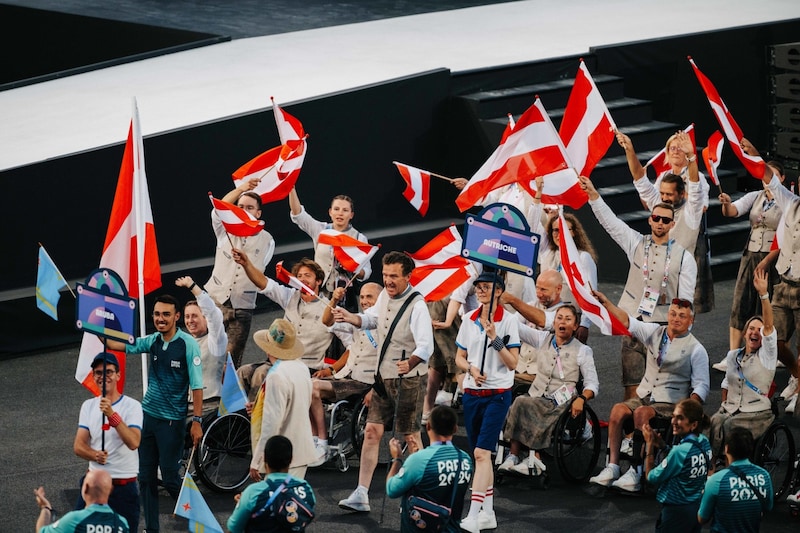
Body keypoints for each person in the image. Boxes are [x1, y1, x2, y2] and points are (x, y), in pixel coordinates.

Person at [581, 175, 697, 401]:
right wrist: (593, 195)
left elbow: (686, 302)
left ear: (672, 224)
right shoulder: (635, 242)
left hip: (663, 330)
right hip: (632, 324)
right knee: (632, 389)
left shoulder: (685, 258)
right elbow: (610, 222)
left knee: (659, 391)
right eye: (657, 218)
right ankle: (629, 435)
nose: (661, 223)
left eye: (666, 220)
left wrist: (681, 335)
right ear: (650, 220)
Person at [334, 251, 434, 513]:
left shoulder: (418, 306)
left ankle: (420, 496)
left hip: (409, 381)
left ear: (408, 277)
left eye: (394, 276)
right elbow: (372, 320)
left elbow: (426, 346)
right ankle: (361, 493)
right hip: (383, 379)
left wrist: (410, 362)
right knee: (371, 432)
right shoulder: (383, 298)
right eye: (385, 275)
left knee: (411, 438)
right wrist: (351, 317)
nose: (388, 281)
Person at [589, 292, 709, 492]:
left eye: (681, 316)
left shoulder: (696, 349)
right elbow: (629, 322)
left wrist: (689, 408)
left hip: (670, 401)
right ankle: (613, 466)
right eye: (673, 314)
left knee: (641, 413)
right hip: (646, 394)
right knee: (618, 410)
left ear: (691, 320)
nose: (676, 319)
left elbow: (702, 385)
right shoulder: (655, 332)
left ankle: (636, 471)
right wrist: (607, 303)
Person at [105, 294, 203, 533]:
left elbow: (197, 386)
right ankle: (152, 529)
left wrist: (197, 421)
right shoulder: (153, 341)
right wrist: (99, 328)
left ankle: (200, 518)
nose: (161, 319)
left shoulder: (188, 344)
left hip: (172, 423)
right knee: (146, 478)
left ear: (176, 317)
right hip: (147, 418)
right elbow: (121, 345)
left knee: (170, 477)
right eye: (157, 314)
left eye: (166, 314)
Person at [617, 130, 713, 314]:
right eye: (672, 148)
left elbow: (696, 192)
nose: (664, 197)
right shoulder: (662, 189)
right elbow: (641, 181)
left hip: (681, 263)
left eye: (669, 194)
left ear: (682, 193)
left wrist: (692, 156)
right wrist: (629, 150)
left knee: (678, 316)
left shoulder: (691, 204)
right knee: (647, 314)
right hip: (656, 267)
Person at [498, 304, 599, 477]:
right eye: (559, 318)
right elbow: (517, 326)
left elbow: (593, 384)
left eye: (568, 319)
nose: (563, 322)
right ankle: (513, 455)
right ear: (554, 322)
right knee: (520, 402)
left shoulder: (582, 350)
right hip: (537, 393)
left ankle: (535, 456)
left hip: (562, 399)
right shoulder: (542, 338)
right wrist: (498, 306)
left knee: (531, 405)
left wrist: (582, 398)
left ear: (575, 326)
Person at [231, 252, 352, 396]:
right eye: (299, 276)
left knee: (262, 373)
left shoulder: (330, 310)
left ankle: (257, 416)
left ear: (318, 281)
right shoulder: (290, 297)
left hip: (306, 368)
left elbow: (353, 347)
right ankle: (234, 415)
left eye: (307, 275)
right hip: (280, 362)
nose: (302, 279)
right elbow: (264, 283)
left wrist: (330, 370)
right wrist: (246, 264)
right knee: (242, 372)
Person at [455, 271, 520, 533]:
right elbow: (459, 356)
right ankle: (489, 512)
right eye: (478, 287)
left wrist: (494, 339)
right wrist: (471, 370)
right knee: (481, 457)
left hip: (497, 395)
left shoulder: (509, 322)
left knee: (482, 454)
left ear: (499, 291)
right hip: (472, 394)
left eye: (486, 287)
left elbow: (513, 362)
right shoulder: (468, 320)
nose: (480, 291)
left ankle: (473, 514)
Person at [715, 160, 785, 365]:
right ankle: (733, 355)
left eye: (772, 174)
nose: (767, 178)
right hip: (750, 255)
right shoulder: (755, 196)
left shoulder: (788, 201)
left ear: (781, 178)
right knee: (740, 303)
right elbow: (732, 211)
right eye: (765, 174)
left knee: (773, 304)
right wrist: (726, 203)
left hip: (776, 258)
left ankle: (777, 353)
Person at [709, 270, 776, 466]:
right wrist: (724, 407)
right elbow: (725, 385)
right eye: (751, 329)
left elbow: (770, 327)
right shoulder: (732, 356)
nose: (756, 333)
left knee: (730, 425)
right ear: (745, 334)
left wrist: (764, 295)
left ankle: (731, 470)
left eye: (759, 330)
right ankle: (712, 467)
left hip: (757, 413)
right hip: (732, 409)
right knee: (714, 421)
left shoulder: (767, 356)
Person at [205, 178, 275, 367]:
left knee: (232, 361)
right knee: (207, 356)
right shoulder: (224, 230)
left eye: (250, 207)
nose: (244, 210)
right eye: (241, 206)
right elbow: (218, 209)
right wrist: (243, 188)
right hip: (216, 301)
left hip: (242, 307)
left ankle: (227, 396)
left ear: (258, 212)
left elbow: (259, 272)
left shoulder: (267, 240)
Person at [312, 282, 382, 465]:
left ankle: (321, 442)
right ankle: (313, 439)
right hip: (345, 376)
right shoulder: (356, 319)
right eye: (362, 297)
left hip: (364, 382)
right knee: (303, 385)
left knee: (312, 388)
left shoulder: (385, 323)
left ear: (381, 300)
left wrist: (375, 389)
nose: (364, 301)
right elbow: (327, 321)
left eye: (370, 297)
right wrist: (335, 299)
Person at [73, 352, 142, 532]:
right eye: (98, 373)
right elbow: (79, 446)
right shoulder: (88, 406)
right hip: (93, 486)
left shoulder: (132, 406)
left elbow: (134, 442)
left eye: (109, 372)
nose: (104, 377)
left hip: (122, 489)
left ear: (118, 375)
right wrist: (94, 455)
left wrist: (112, 415)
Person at [385, 406, 474, 533]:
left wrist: (397, 459)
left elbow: (391, 490)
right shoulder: (465, 459)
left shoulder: (419, 460)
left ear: (428, 427)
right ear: (455, 428)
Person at [249, 319, 318, 480]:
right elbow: (298, 403)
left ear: (268, 349)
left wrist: (258, 459)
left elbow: (271, 423)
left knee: (274, 502)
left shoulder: (276, 376)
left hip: (281, 456)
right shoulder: (301, 367)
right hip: (301, 450)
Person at [289, 187, 371, 307]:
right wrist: (291, 188)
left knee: (345, 324)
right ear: (330, 212)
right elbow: (298, 215)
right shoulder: (320, 230)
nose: (340, 213)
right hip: (321, 291)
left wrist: (355, 269)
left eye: (345, 210)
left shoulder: (359, 238)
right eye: (336, 209)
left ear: (351, 215)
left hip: (345, 293)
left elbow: (367, 272)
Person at [642, 398, 712, 533]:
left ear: (693, 424)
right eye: (673, 416)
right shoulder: (704, 442)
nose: (673, 421)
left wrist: (649, 445)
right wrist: (662, 445)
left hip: (676, 512)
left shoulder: (679, 451)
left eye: (680, 418)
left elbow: (651, 477)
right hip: (696, 508)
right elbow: (683, 463)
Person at [228, 435, 316, 533]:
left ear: (265, 459)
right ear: (291, 459)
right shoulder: (304, 487)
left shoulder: (253, 492)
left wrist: (242, 503)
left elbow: (234, 528)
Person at [698, 427, 773, 532]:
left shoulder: (716, 480)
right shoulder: (765, 475)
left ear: (726, 449)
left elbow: (702, 519)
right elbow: (768, 507)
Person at [501, 269, 567, 383]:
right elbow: (510, 324)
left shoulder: (565, 314)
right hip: (519, 369)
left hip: (542, 375)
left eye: (544, 290)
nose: (539, 294)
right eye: (537, 288)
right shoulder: (530, 305)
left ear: (559, 289)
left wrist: (512, 300)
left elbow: (544, 321)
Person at [176, 275, 227, 415]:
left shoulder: (216, 341)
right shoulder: (181, 344)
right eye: (187, 317)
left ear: (205, 318)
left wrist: (193, 287)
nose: (190, 320)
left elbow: (213, 314)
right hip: (183, 407)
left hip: (209, 405)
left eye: (194, 316)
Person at [35, 470, 129, 533]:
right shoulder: (122, 524)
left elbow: (42, 531)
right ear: (110, 490)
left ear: (86, 488)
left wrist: (45, 508)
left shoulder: (73, 520)